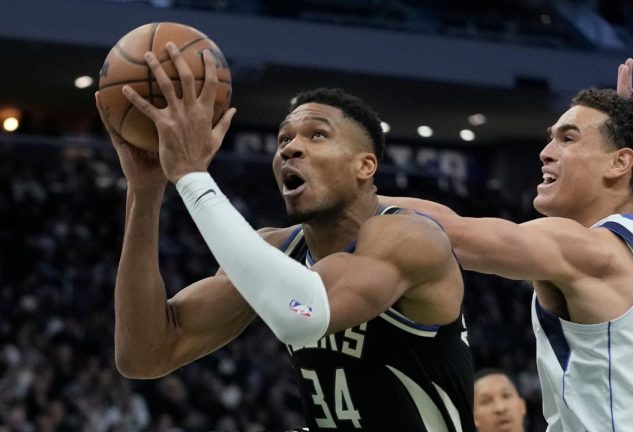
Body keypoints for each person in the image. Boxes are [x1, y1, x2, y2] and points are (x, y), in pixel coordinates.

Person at [95, 44, 475, 431]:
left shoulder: (410, 236)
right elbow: (144, 354)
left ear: (365, 165)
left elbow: (300, 315)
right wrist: (145, 192)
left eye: (317, 135)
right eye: (283, 140)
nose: (291, 148)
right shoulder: (276, 250)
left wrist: (193, 177)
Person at [384, 60, 633, 431]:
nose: (546, 152)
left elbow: (446, 232)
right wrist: (624, 129)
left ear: (618, 163)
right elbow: (631, 182)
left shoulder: (592, 250)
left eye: (568, 138)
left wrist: (353, 197)